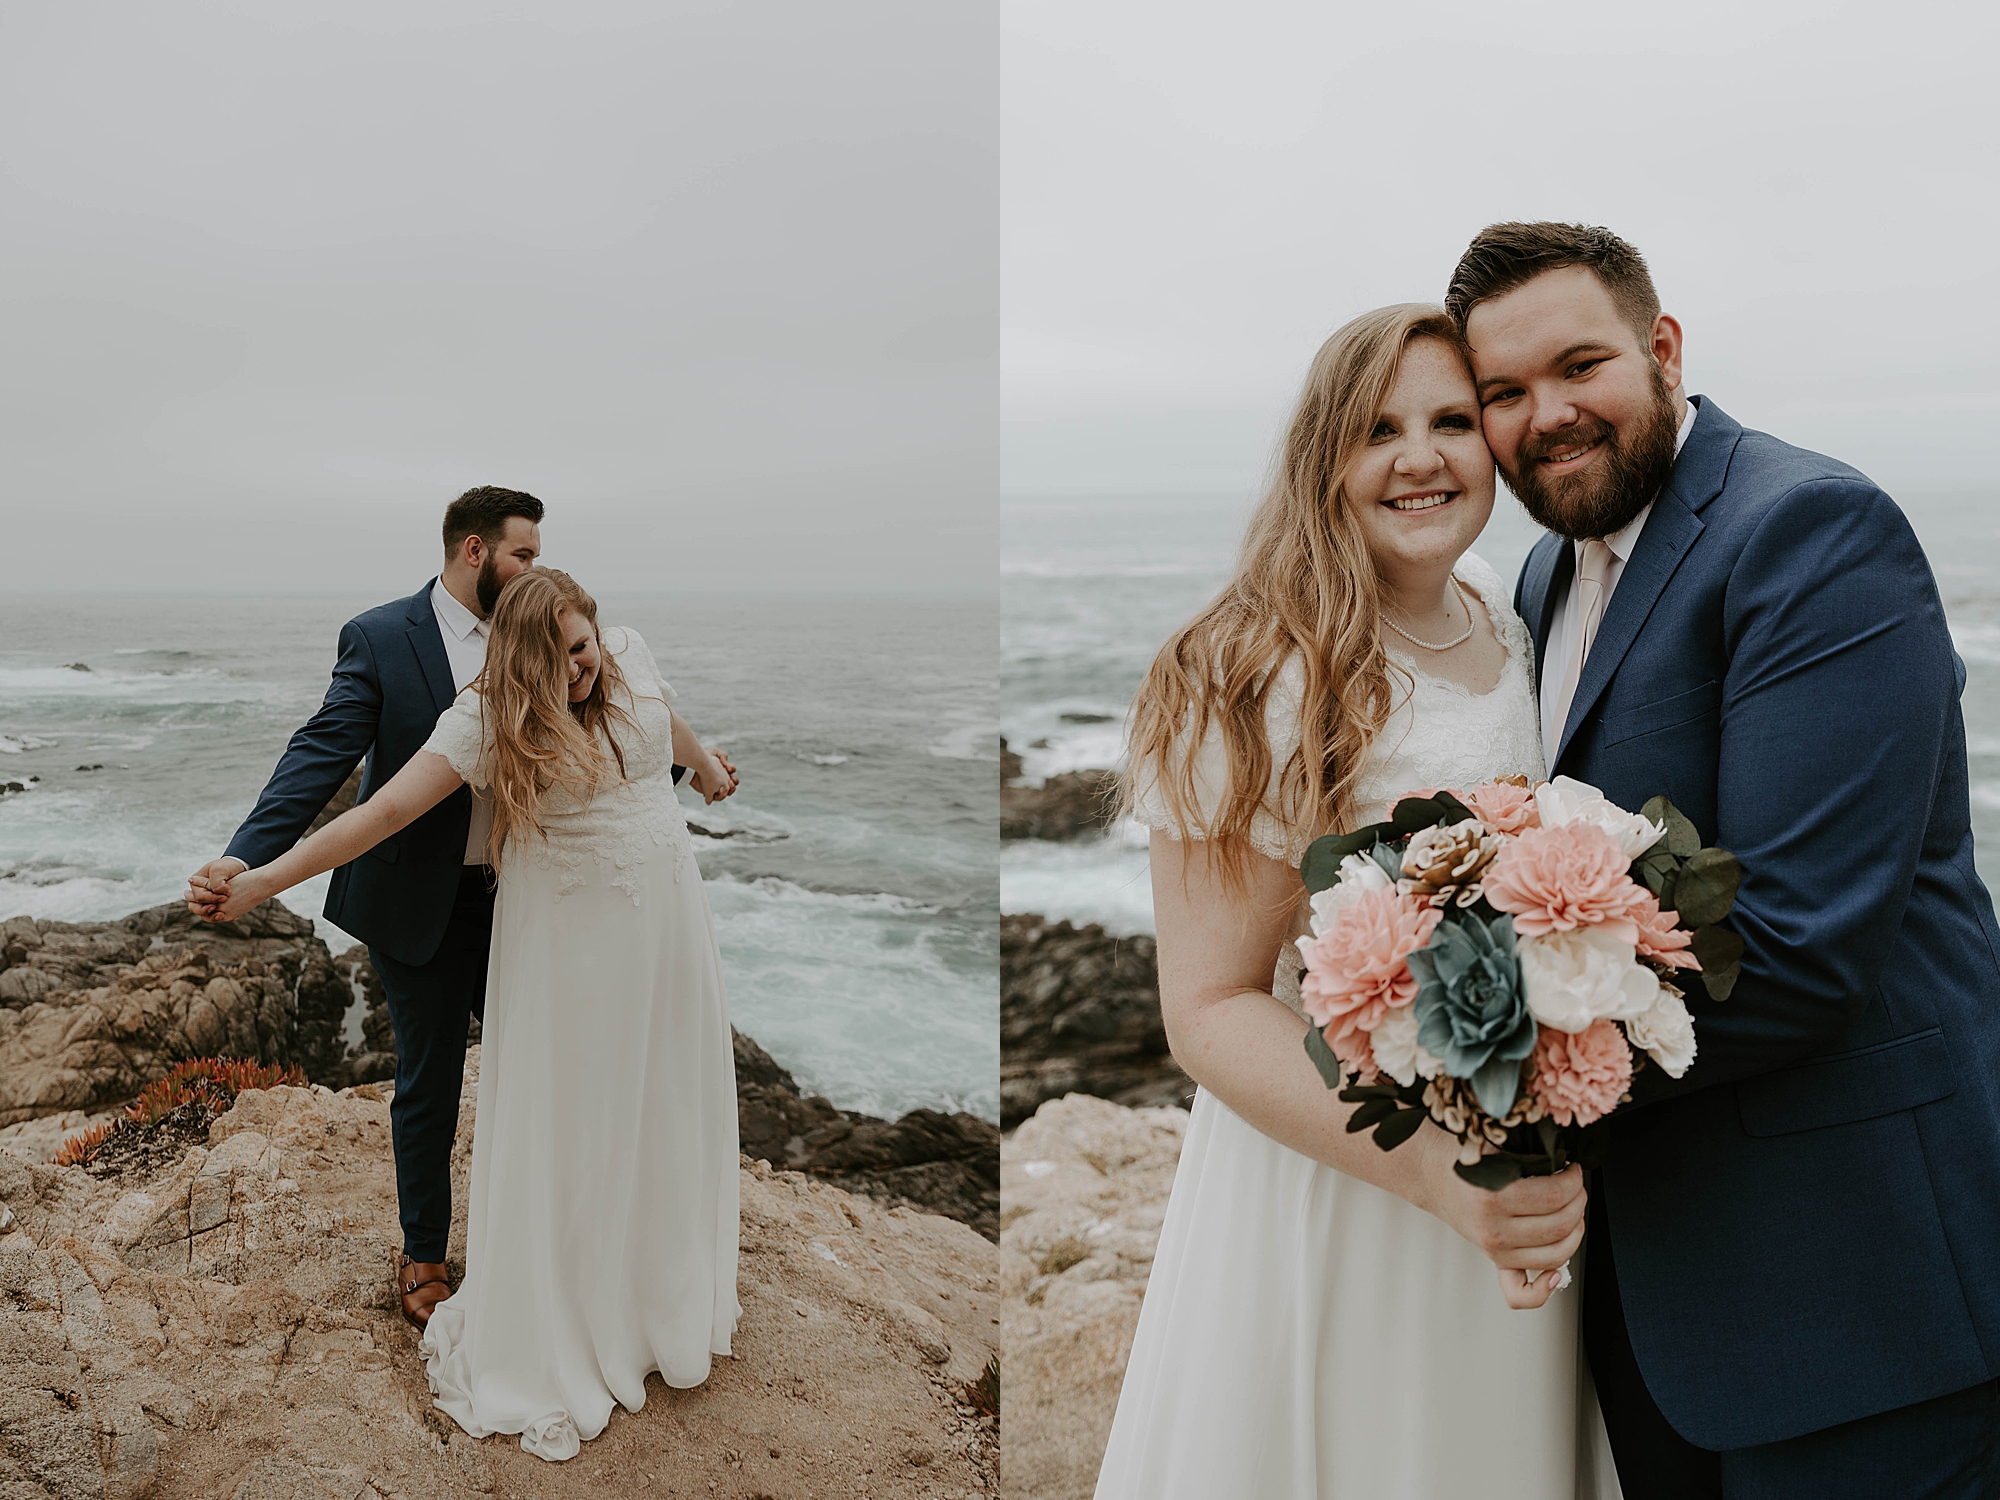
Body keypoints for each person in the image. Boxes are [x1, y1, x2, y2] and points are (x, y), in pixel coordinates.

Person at [1452, 222, 2000, 1499]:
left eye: (1577, 365)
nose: (1546, 415)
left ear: (1661, 348)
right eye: (1502, 393)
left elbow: (1803, 952)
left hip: (1856, 1289)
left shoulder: (1806, 529)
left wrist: (1464, 1070)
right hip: (1659, 1293)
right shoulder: (1541, 571)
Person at [1094, 305, 1612, 1498]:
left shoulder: (1495, 602)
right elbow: (1210, 1005)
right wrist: (1434, 1174)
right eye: (1378, 429)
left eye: (1448, 419)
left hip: (1505, 1142)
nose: (1420, 457)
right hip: (1346, 1174)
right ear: (1321, 456)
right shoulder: (1253, 667)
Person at [198, 566, 741, 1461]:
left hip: (670, 926)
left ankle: (655, 1299)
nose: (580, 668)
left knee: (664, 1098)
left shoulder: (628, 653)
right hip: (576, 942)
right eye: (559, 658)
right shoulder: (488, 715)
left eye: (584, 644)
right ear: (517, 660)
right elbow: (380, 813)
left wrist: (711, 768)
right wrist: (259, 880)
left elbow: (660, 716)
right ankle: (571, 1310)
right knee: (583, 1116)